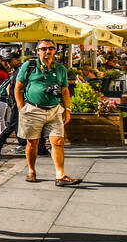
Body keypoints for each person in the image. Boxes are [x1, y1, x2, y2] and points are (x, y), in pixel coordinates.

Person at [14, 39, 80, 186]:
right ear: (38, 51)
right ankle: (31, 170)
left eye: (50, 48)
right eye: (43, 49)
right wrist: (21, 107)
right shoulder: (29, 66)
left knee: (58, 142)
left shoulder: (60, 69)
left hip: (54, 110)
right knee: (32, 143)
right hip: (33, 109)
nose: (47, 51)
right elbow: (18, 87)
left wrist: (67, 109)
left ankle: (60, 175)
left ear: (55, 51)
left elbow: (64, 90)